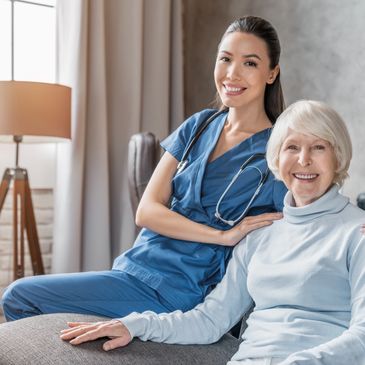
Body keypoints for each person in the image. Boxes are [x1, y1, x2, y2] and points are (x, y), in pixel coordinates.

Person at [1, 16, 287, 322]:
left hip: (182, 289)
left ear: (272, 73)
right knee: (20, 296)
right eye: (225, 59)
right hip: (135, 269)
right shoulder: (199, 125)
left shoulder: (278, 153)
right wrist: (222, 236)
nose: (232, 73)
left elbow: (300, 230)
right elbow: (147, 211)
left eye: (250, 63)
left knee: (19, 297)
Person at [60, 100, 365, 365]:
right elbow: (210, 321)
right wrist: (134, 325)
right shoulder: (260, 237)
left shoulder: (357, 232)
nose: (304, 160)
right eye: (292, 147)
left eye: (319, 147)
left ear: (338, 156)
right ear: (276, 158)